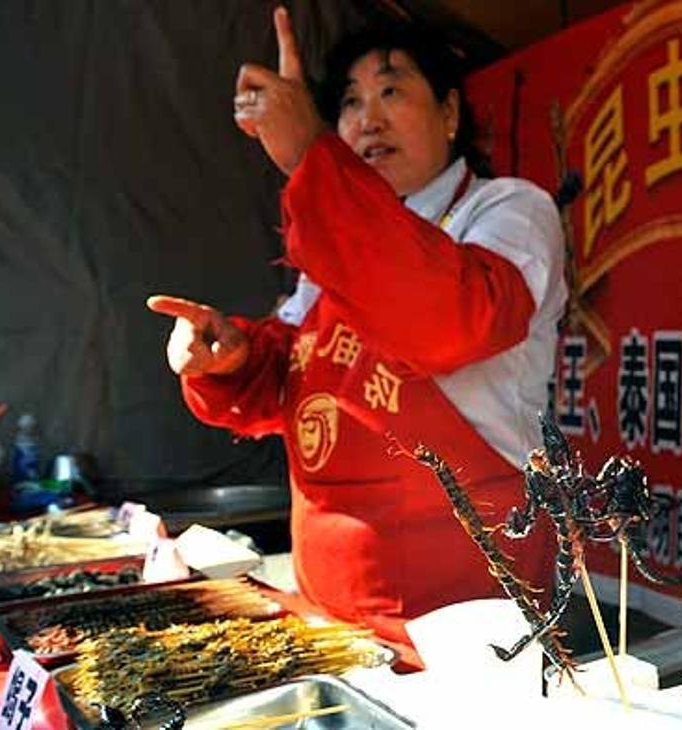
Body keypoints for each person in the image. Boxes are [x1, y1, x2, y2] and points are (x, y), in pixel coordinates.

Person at [147, 8, 565, 653]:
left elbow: (450, 323)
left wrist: (312, 157)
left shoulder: (508, 209)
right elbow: (282, 375)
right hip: (329, 618)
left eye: (391, 91)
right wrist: (225, 358)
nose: (367, 119)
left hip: (468, 614)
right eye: (347, 103)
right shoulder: (334, 238)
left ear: (450, 112)